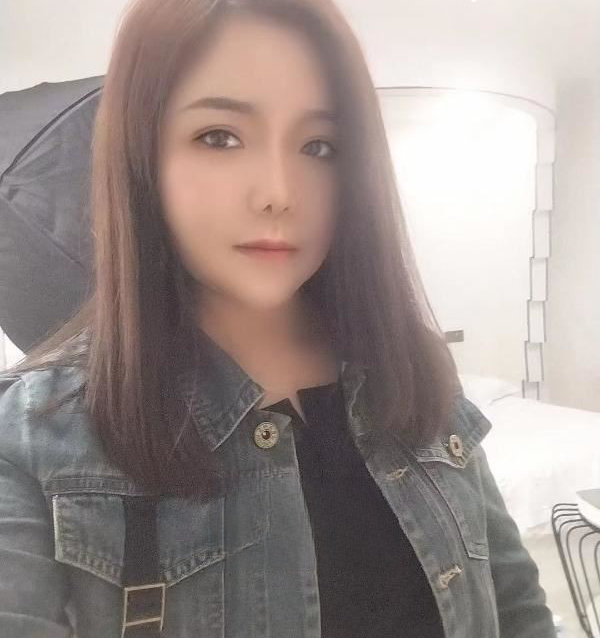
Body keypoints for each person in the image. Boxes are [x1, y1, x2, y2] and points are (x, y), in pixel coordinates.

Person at [0, 0, 557, 636]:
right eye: (219, 137)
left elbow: (518, 611)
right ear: (141, 158)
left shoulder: (407, 368)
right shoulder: (35, 439)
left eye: (319, 146)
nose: (279, 192)